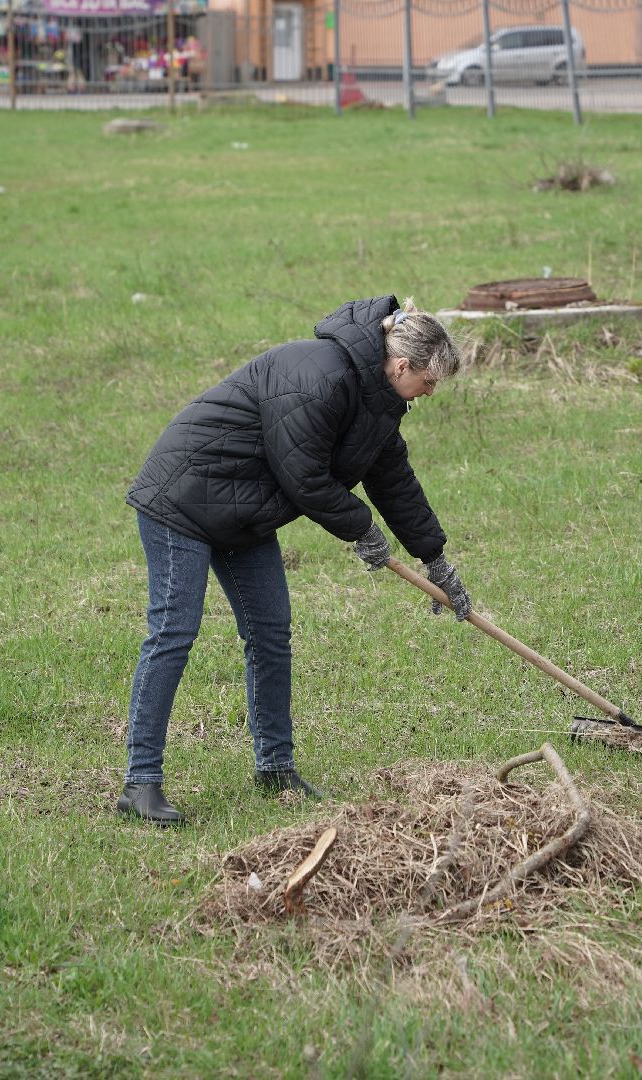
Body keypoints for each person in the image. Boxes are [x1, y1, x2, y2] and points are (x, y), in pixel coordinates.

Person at [119, 295, 472, 826]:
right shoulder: (320, 376)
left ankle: (275, 769)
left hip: (243, 510)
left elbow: (393, 481)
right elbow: (303, 474)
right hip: (184, 497)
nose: (430, 392)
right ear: (402, 366)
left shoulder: (378, 401)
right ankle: (140, 783)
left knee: (270, 632)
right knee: (174, 630)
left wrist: (435, 559)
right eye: (429, 382)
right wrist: (361, 529)